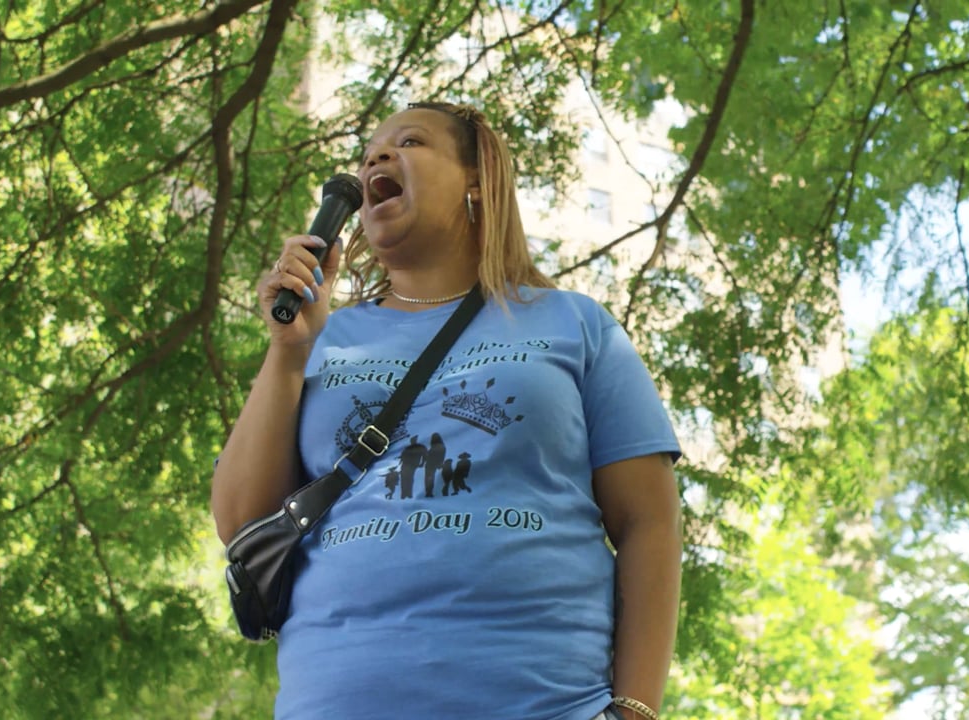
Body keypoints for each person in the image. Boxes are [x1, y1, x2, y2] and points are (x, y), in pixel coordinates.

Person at [211, 101, 682, 720]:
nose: (377, 157)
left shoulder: (574, 324)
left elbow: (650, 522)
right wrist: (289, 352)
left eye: (410, 142)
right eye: (370, 150)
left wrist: (636, 711)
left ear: (477, 182)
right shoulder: (321, 337)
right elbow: (241, 522)